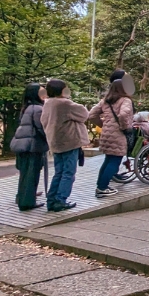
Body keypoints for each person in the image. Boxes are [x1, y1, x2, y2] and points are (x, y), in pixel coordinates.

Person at [41, 79, 88, 212]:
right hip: (69, 142)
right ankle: (60, 200)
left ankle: (51, 200)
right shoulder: (65, 103)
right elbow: (84, 114)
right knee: (68, 172)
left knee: (59, 172)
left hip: (55, 142)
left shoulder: (48, 103)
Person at [89, 80, 134, 197]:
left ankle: (101, 185)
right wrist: (124, 127)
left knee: (108, 160)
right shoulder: (125, 100)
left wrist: (103, 125)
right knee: (114, 161)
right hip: (118, 134)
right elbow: (124, 114)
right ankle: (102, 188)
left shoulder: (105, 101)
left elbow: (91, 115)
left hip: (106, 134)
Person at [9, 83, 48, 211]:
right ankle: (27, 202)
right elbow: (41, 127)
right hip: (32, 146)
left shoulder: (26, 107)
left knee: (25, 174)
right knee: (31, 174)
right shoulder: (37, 109)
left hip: (23, 145)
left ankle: (23, 197)